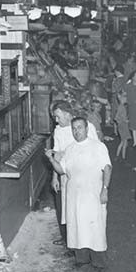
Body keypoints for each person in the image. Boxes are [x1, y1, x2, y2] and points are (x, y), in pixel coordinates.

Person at [45, 117, 112, 269]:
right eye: (74, 128)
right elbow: (62, 170)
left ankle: (98, 261)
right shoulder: (70, 149)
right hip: (74, 194)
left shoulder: (98, 147)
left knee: (95, 226)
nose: (77, 131)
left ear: (87, 129)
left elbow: (107, 168)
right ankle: (81, 258)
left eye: (80, 127)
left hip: (93, 192)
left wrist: (105, 190)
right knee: (77, 224)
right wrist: (51, 159)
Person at [50, 100, 99, 245]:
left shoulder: (86, 127)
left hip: (84, 175)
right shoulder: (58, 130)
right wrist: (55, 177)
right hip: (64, 175)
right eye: (55, 117)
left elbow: (95, 150)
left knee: (82, 210)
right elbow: (56, 154)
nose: (56, 120)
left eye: (58, 117)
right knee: (64, 209)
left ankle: (84, 241)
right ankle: (67, 239)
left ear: (67, 114)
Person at [114, 90, 130, 160]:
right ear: (121, 98)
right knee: (124, 143)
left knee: (122, 142)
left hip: (123, 126)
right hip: (123, 127)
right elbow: (116, 118)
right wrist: (124, 121)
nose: (126, 98)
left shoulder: (122, 106)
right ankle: (123, 158)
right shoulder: (121, 107)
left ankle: (117, 156)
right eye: (125, 97)